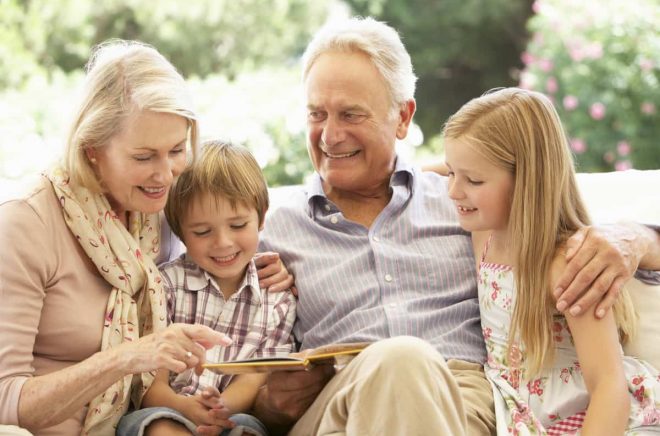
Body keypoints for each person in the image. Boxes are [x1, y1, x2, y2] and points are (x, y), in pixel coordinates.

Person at [254, 17, 660, 435]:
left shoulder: (466, 205)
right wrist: (268, 405)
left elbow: (542, 195)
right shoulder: (269, 230)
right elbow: (230, 371)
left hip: (460, 398)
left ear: (402, 117)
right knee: (400, 360)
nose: (330, 136)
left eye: (351, 114)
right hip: (336, 406)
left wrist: (638, 237)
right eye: (317, 113)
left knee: (406, 363)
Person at [0, 41, 291, 436]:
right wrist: (126, 358)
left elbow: (225, 227)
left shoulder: (158, 213)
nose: (166, 174)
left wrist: (267, 267)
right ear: (91, 151)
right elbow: (5, 399)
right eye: (143, 157)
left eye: (176, 150)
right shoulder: (26, 223)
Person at [443, 87, 660, 435]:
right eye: (452, 172)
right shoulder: (484, 232)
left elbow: (608, 386)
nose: (453, 190)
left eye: (473, 180)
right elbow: (462, 162)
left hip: (593, 417)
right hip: (524, 412)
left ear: (526, 182)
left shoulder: (566, 266)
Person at [118, 140, 297, 436]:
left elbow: (254, 379)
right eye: (202, 231)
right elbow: (150, 382)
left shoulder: (276, 300)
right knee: (161, 427)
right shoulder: (166, 286)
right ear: (180, 232)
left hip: (234, 415)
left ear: (262, 217)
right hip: (166, 408)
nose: (223, 242)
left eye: (238, 225)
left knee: (248, 431)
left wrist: (219, 409)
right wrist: (185, 407)